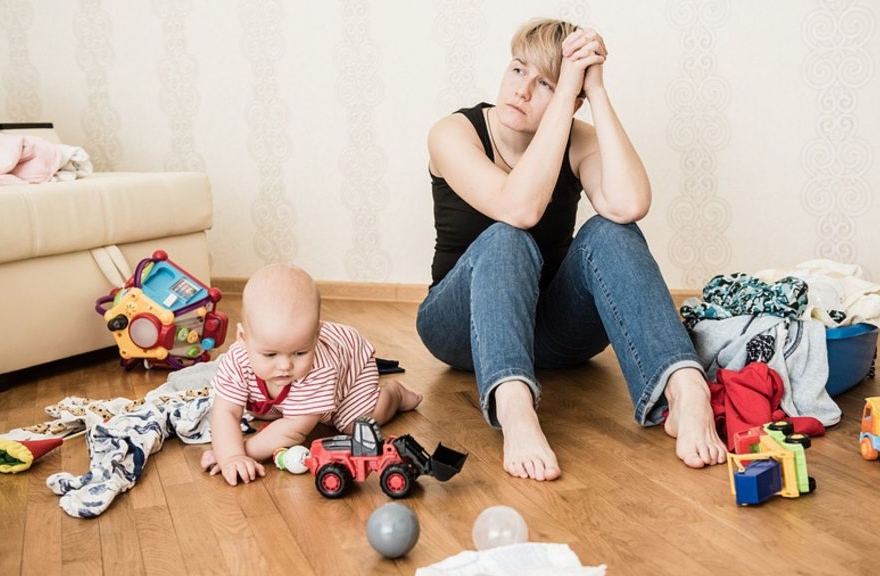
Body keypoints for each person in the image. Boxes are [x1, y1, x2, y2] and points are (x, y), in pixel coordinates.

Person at [417, 18, 727, 482]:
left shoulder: (578, 137)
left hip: (557, 332)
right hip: (462, 329)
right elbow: (517, 208)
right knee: (507, 236)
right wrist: (564, 92)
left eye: (545, 83)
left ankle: (685, 390)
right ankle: (516, 411)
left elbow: (629, 204)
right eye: (518, 70)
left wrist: (596, 92)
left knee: (612, 229)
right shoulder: (453, 133)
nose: (521, 91)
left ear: (573, 97)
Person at [201, 264, 422, 485]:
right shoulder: (237, 360)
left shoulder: (319, 369)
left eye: (299, 352)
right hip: (303, 387)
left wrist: (241, 454)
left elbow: (292, 430)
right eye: (270, 354)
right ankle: (298, 400)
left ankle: (395, 395)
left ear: (316, 335)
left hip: (350, 368)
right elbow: (225, 411)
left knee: (352, 424)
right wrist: (229, 454)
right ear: (243, 337)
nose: (285, 366)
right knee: (264, 410)